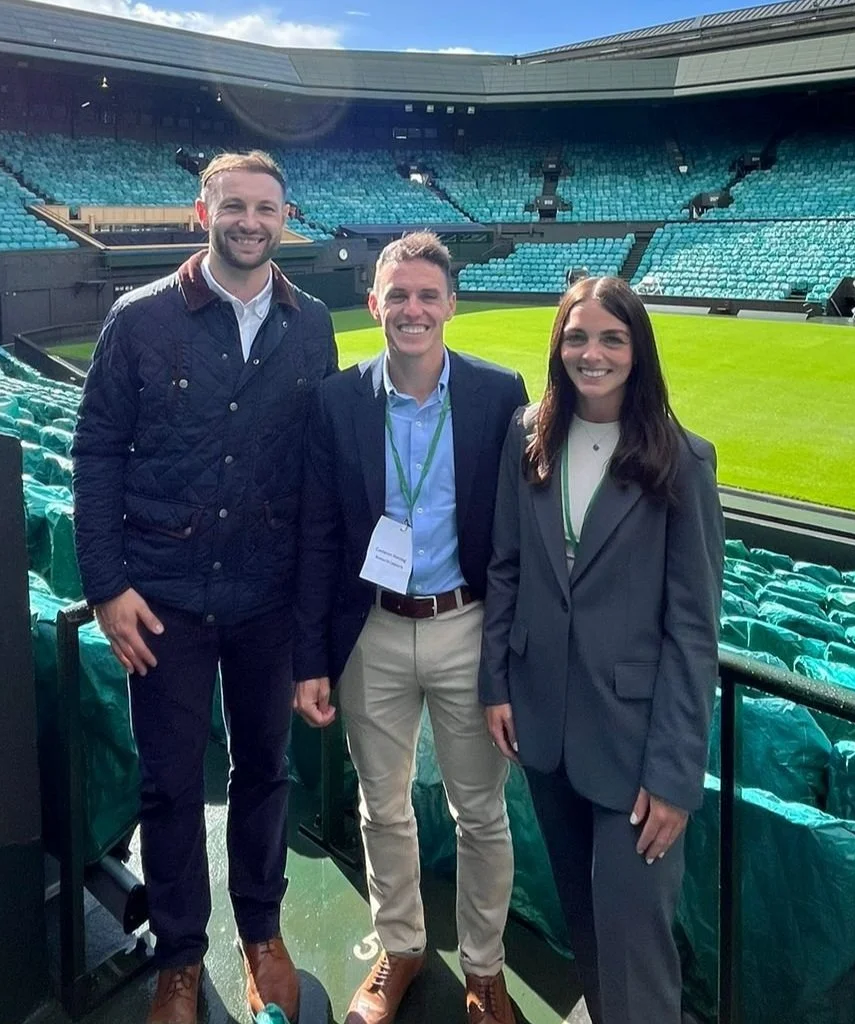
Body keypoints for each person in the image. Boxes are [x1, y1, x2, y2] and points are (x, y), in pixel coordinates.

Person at [72, 150, 338, 1024]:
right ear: (203, 214)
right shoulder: (137, 318)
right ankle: (181, 960)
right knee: (171, 785)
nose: (251, 221)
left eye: (266, 207)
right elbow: (99, 450)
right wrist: (107, 585)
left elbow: (314, 476)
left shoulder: (313, 326)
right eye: (235, 206)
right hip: (166, 600)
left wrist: (310, 616)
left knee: (266, 770)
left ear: (285, 218)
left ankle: (261, 933)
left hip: (266, 600)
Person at [293, 232, 528, 1024]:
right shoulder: (338, 399)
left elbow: (517, 541)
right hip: (374, 631)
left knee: (481, 814)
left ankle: (485, 969)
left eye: (428, 295)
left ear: (452, 304)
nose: (413, 309)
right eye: (398, 296)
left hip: (467, 625)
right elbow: (320, 536)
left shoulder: (501, 395)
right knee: (381, 806)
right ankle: (400, 948)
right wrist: (311, 657)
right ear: (374, 305)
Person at [478, 276, 724, 1024]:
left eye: (612, 338)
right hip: (543, 726)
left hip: (634, 746)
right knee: (584, 919)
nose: (593, 353)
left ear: (638, 350)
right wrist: (497, 682)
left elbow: (694, 629)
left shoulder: (683, 461)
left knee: (635, 940)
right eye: (577, 337)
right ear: (557, 346)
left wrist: (677, 774)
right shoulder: (530, 436)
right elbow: (507, 567)